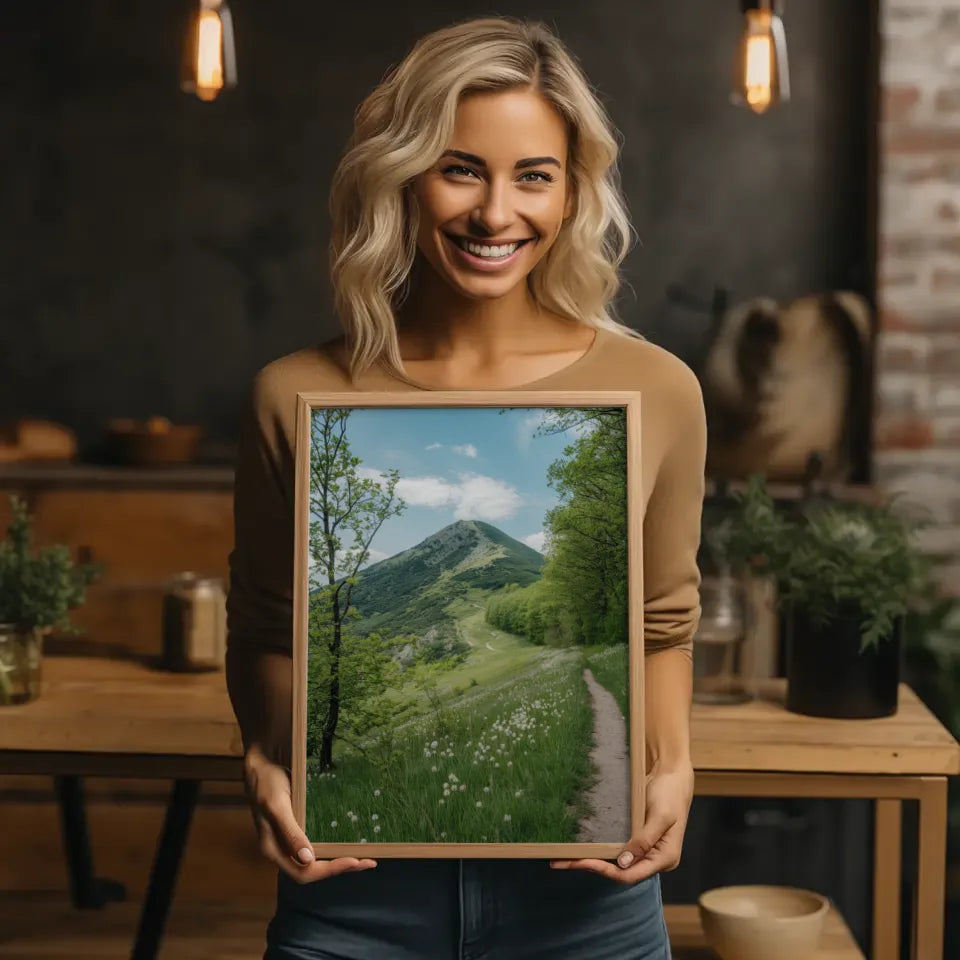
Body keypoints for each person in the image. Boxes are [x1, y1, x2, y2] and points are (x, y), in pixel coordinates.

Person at [226, 15, 705, 960]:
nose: (496, 215)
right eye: (460, 169)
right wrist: (260, 756)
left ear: (572, 195)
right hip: (351, 903)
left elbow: (661, 625)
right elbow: (266, 627)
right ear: (401, 178)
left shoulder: (658, 390)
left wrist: (674, 766)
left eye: (534, 175)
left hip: (587, 907)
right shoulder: (294, 394)